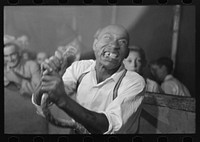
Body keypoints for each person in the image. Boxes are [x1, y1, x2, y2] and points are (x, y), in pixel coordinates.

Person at [32, 24, 146, 134]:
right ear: (95, 44)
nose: (114, 45)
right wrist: (47, 78)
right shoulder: (80, 67)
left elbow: (108, 126)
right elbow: (42, 101)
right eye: (107, 37)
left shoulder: (134, 82)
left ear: (126, 53)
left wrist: (62, 99)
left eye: (122, 42)